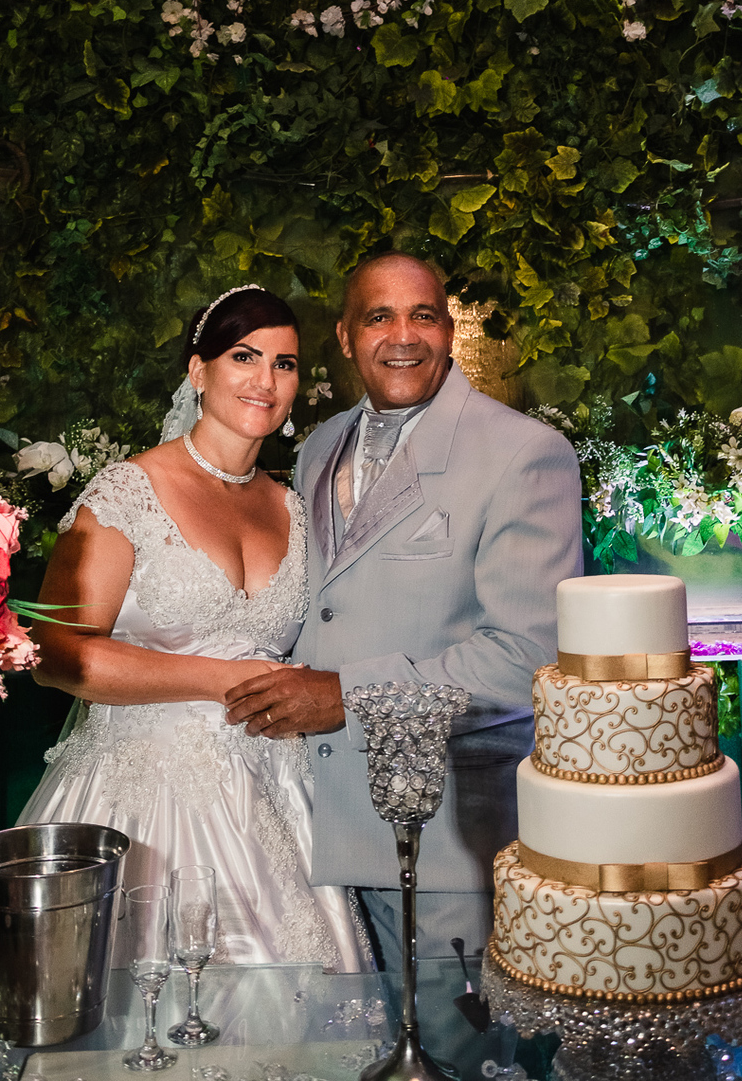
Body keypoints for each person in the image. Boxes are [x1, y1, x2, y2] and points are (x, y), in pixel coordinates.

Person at [223, 254, 583, 971]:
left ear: (449, 330)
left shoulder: (524, 453)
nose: (403, 336)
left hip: (446, 843)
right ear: (346, 335)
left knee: (451, 1037)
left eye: (423, 316)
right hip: (312, 835)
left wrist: (347, 696)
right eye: (379, 317)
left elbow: (529, 658)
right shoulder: (318, 448)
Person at [21, 285, 369, 970]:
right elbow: (54, 653)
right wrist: (222, 680)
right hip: (145, 801)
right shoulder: (128, 492)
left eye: (284, 364)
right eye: (244, 356)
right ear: (197, 370)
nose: (265, 380)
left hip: (278, 797)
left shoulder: (295, 510)